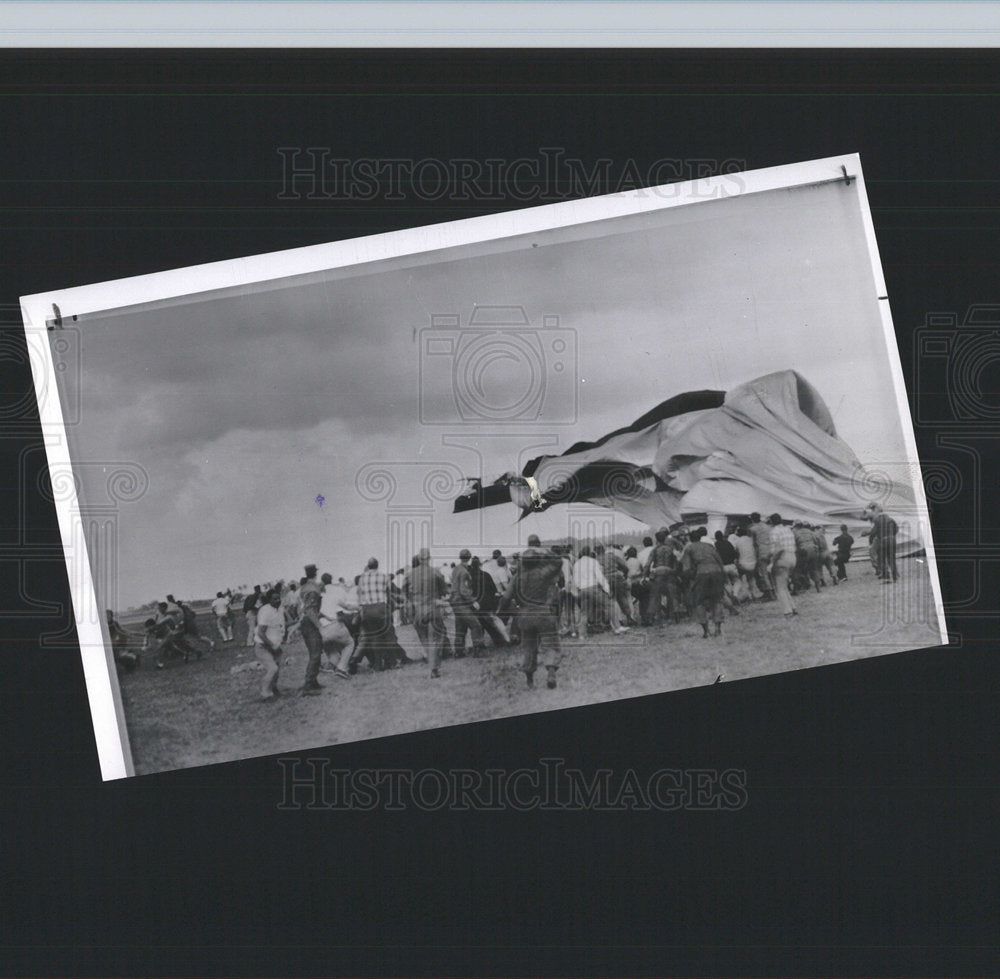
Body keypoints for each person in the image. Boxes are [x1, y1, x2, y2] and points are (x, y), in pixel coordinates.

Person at [503, 535, 564, 689]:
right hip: (544, 613)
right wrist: (543, 551)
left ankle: (530, 681)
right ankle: (551, 673)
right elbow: (558, 561)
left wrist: (499, 612)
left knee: (529, 648)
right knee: (551, 644)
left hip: (524, 616)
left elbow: (506, 597)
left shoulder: (518, 577)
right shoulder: (543, 574)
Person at [404, 548, 449, 678]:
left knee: (424, 639)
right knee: (437, 638)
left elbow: (405, 593)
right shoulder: (436, 572)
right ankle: (434, 667)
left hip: (417, 610)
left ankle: (433, 665)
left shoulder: (409, 574)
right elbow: (444, 591)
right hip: (433, 608)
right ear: (429, 558)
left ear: (418, 559)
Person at [352, 557, 396, 671]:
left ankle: (378, 664)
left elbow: (359, 593)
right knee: (388, 635)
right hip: (381, 607)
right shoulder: (384, 576)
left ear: (369, 565)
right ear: (377, 565)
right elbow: (389, 591)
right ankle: (391, 662)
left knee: (374, 637)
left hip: (367, 610)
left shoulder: (362, 578)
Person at [683, 528, 727, 637]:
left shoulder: (689, 548)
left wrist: (692, 579)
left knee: (699, 602)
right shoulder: (709, 546)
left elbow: (686, 569)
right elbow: (720, 562)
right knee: (717, 600)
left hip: (701, 573)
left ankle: (706, 630)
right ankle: (717, 629)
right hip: (717, 571)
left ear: (690, 538)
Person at [449, 549, 485, 658]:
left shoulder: (456, 569)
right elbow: (463, 590)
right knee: (476, 625)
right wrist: (473, 601)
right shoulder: (464, 572)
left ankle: (458, 651)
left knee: (460, 627)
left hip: (455, 603)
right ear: (469, 558)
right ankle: (477, 650)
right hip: (462, 603)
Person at [469, 555, 510, 647]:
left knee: (478, 625)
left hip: (474, 604)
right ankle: (500, 641)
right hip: (486, 603)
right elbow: (493, 590)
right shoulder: (486, 575)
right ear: (480, 565)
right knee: (491, 624)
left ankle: (479, 644)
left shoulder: (469, 577)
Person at [254, 589, 286, 702]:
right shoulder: (265, 611)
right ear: (269, 600)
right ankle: (265, 693)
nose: (278, 601)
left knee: (277, 671)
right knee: (272, 669)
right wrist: (272, 645)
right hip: (263, 646)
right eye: (274, 599)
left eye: (278, 598)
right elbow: (261, 633)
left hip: (275, 646)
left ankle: (273, 689)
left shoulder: (280, 609)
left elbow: (282, 625)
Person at [298, 564, 325, 695]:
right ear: (315, 573)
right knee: (315, 653)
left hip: (306, 622)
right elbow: (310, 610)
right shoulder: (313, 588)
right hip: (310, 623)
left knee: (316, 652)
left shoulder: (304, 587)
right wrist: (319, 626)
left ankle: (313, 681)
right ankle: (308, 684)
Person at [643, 528, 678, 626]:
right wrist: (674, 571)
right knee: (671, 595)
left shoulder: (655, 550)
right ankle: (673, 616)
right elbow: (675, 562)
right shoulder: (670, 549)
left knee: (655, 595)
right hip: (669, 571)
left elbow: (648, 564)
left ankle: (655, 618)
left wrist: (644, 575)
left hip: (658, 572)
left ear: (657, 539)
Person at [767, 513, 798, 618]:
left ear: (771, 522)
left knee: (780, 587)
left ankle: (787, 611)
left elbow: (778, 549)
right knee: (784, 586)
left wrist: (771, 563)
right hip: (792, 557)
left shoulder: (774, 532)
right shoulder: (788, 530)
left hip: (782, 558)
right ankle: (793, 607)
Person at [866, 503, 899, 583]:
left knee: (882, 559)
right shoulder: (891, 519)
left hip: (883, 541)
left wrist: (871, 539)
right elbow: (896, 529)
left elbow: (873, 532)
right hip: (892, 540)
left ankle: (886, 577)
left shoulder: (877, 520)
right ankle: (895, 577)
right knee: (892, 559)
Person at [748, 512, 775, 601]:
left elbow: (753, 543)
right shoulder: (768, 527)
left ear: (752, 519)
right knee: (771, 573)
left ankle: (770, 594)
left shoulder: (753, 529)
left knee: (764, 574)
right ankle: (775, 592)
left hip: (762, 552)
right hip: (771, 550)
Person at [792, 521, 822, 594]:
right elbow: (816, 541)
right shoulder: (810, 532)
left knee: (797, 569)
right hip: (813, 550)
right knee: (814, 569)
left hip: (803, 551)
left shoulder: (796, 533)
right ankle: (818, 588)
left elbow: (794, 544)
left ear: (796, 526)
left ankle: (796, 589)